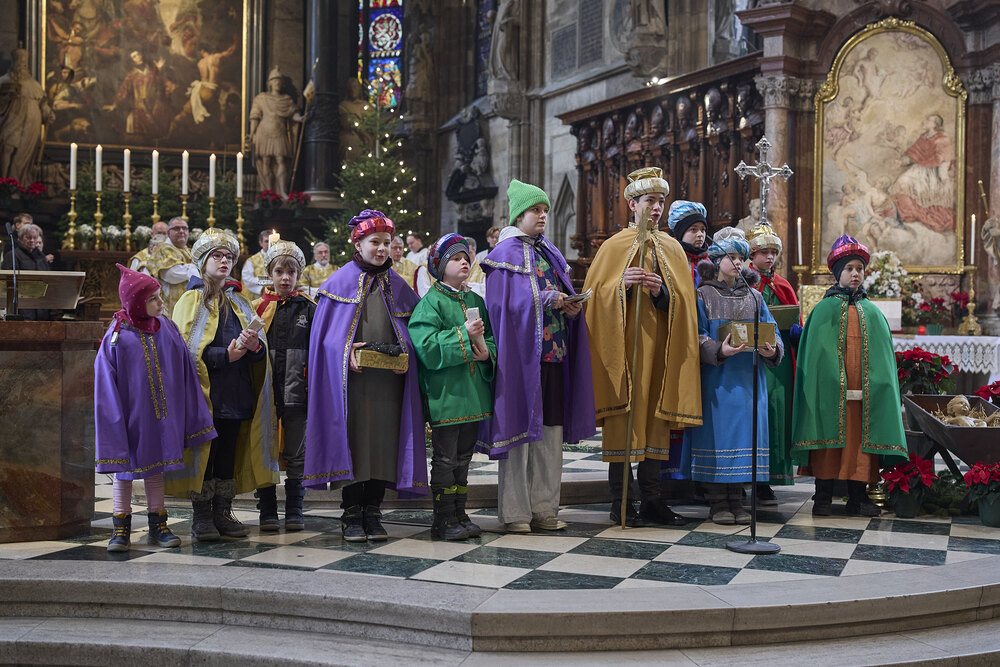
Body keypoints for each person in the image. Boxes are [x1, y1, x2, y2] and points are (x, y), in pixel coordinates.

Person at [584, 167, 701, 527]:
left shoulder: (673, 248)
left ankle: (652, 499)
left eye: (661, 201)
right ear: (632, 204)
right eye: (650, 200)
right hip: (624, 351)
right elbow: (592, 298)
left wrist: (661, 293)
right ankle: (620, 500)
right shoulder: (613, 247)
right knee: (624, 420)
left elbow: (685, 303)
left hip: (660, 350)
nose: (657, 207)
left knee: (654, 423)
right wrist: (621, 287)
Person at [478, 180, 595, 533]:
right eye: (535, 210)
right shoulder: (503, 255)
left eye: (545, 210)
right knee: (519, 435)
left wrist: (571, 307)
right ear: (519, 215)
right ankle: (516, 513)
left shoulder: (549, 252)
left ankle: (545, 509)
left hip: (554, 356)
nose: (542, 216)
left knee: (550, 435)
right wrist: (546, 299)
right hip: (521, 360)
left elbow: (560, 292)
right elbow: (501, 306)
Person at [304, 209, 428, 542]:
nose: (382, 248)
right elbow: (323, 342)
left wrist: (407, 355)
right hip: (352, 386)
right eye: (375, 242)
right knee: (355, 444)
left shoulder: (398, 286)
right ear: (357, 244)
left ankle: (373, 511)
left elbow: (415, 331)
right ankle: (351, 513)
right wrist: (345, 352)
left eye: (387, 242)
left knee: (384, 445)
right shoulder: (338, 284)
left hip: (389, 385)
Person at [165, 228, 278, 541]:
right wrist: (223, 356)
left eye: (229, 256)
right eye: (217, 255)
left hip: (236, 392)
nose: (224, 261)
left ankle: (222, 512)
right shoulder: (190, 300)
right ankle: (201, 516)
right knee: (206, 455)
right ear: (203, 261)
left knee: (228, 454)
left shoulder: (240, 302)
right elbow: (185, 350)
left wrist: (255, 348)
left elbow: (259, 351)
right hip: (205, 394)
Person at [95, 264, 217, 551]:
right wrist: (115, 422)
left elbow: (184, 371)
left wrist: (188, 414)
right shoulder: (117, 336)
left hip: (161, 418)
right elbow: (105, 384)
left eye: (160, 296)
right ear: (135, 302)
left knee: (155, 469)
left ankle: (158, 525)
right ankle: (120, 528)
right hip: (130, 418)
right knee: (125, 472)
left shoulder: (167, 329)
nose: (161, 303)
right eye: (153, 299)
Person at [791, 235, 907, 517]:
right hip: (830, 393)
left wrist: (878, 385)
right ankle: (822, 497)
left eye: (860, 269)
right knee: (828, 443)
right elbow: (815, 355)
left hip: (865, 396)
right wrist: (831, 381)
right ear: (838, 273)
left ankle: (858, 497)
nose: (855, 274)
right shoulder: (822, 311)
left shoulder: (874, 313)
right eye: (849, 269)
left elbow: (882, 359)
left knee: (860, 445)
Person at [681, 228, 783, 525]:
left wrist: (771, 349)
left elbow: (773, 330)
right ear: (716, 260)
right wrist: (719, 349)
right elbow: (695, 335)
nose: (738, 263)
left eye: (741, 258)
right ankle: (717, 503)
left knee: (743, 437)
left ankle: (737, 501)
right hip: (717, 380)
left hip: (748, 380)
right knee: (718, 437)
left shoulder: (754, 296)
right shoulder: (703, 295)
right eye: (732, 257)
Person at [409, 234, 496, 540]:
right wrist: (462, 333)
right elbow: (425, 346)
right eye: (456, 258)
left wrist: (487, 354)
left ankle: (460, 513)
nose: (464, 262)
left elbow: (491, 340)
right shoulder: (430, 303)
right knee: (445, 460)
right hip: (446, 395)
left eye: (466, 258)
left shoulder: (475, 301)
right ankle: (443, 520)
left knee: (464, 458)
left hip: (473, 393)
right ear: (440, 265)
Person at [252, 240, 315, 532]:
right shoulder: (258, 308)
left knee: (296, 451)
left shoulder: (309, 308)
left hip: (298, 390)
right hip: (265, 392)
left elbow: (320, 346)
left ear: (299, 274)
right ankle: (267, 509)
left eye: (291, 272)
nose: (285, 278)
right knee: (265, 449)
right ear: (269, 274)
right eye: (279, 272)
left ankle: (294, 509)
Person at [747, 222, 800, 505]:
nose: (770, 258)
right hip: (751, 359)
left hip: (780, 362)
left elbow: (795, 319)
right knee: (757, 416)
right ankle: (747, 478)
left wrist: (795, 330)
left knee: (777, 416)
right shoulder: (744, 283)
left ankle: (769, 480)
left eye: (773, 253)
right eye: (763, 253)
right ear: (751, 254)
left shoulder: (783, 285)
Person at [147, 217, 198, 317]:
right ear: (169, 232)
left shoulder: (188, 250)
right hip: (167, 306)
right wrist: (193, 267)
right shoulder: (163, 248)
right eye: (177, 228)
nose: (181, 231)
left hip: (188, 305)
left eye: (184, 228)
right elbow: (172, 274)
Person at [2, 223, 52, 321]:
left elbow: (48, 279)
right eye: (28, 238)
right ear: (20, 238)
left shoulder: (41, 256)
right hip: (22, 308)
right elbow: (7, 283)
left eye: (34, 237)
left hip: (41, 309)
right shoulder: (13, 255)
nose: (32, 240)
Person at [667, 200, 712, 287]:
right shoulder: (670, 259)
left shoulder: (708, 262)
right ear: (681, 233)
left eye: (703, 230)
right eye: (693, 229)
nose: (700, 234)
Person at [241, 230, 271, 297]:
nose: (270, 244)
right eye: (267, 241)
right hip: (257, 296)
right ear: (260, 243)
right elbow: (247, 278)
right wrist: (267, 282)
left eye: (272, 241)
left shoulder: (281, 259)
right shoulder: (252, 261)